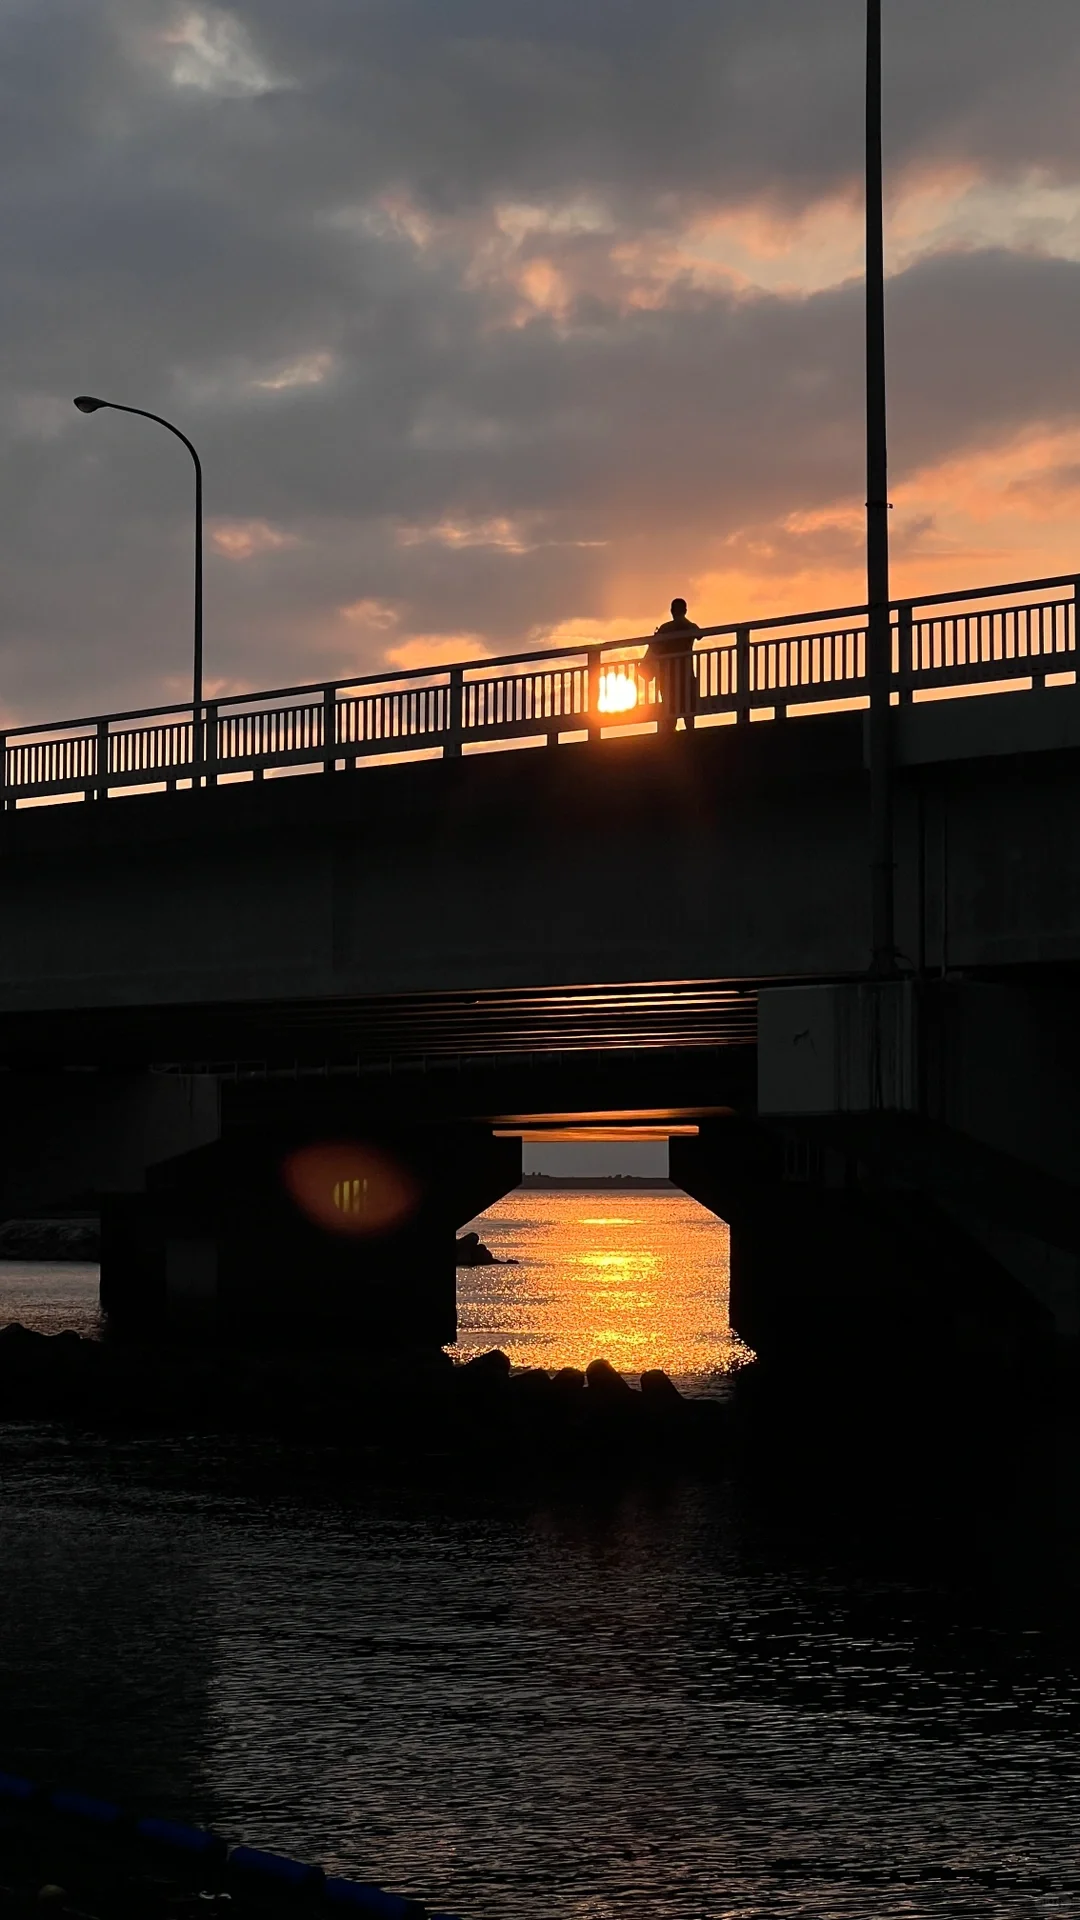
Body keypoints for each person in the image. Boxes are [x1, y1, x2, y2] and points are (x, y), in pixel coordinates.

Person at [645, 597, 701, 728]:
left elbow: (655, 647)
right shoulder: (689, 626)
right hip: (686, 674)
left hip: (666, 676)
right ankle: (690, 736)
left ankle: (670, 739)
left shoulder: (665, 628)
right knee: (688, 711)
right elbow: (700, 634)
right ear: (685, 611)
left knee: (669, 712)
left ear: (671, 611)